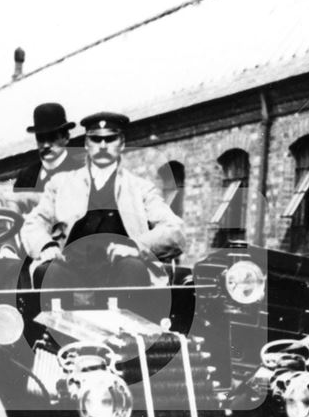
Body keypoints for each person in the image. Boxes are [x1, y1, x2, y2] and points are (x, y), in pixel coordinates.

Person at [21, 111, 184, 289]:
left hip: (121, 269)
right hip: (71, 270)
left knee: (133, 268)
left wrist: (137, 247)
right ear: (86, 143)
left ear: (122, 143)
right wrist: (46, 246)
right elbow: (33, 223)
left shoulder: (140, 188)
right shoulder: (60, 184)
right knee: (48, 272)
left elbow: (175, 230)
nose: (103, 145)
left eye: (110, 138)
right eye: (96, 139)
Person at [12, 102, 84, 192]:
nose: (46, 145)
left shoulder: (81, 174)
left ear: (66, 137)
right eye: (41, 138)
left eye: (52, 137)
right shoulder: (25, 176)